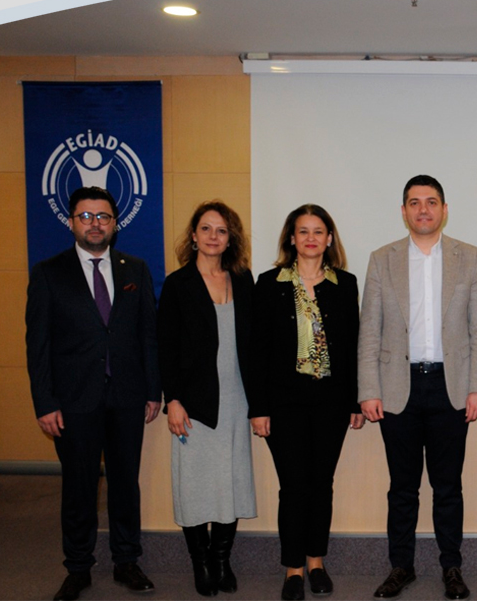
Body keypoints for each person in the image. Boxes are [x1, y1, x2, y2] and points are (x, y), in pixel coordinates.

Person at [359, 176, 477, 601]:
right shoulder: (382, 259)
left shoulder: (468, 257)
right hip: (396, 387)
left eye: (431, 202)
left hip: (450, 387)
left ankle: (451, 567)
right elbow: (370, 330)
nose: (423, 209)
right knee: (402, 488)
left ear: (444, 209)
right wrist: (368, 389)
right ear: (403, 211)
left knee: (447, 487)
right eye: (414, 202)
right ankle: (401, 566)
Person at [25, 186, 162, 601]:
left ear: (115, 223)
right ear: (71, 222)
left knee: (125, 484)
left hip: (127, 397)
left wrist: (152, 389)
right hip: (73, 402)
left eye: (103, 216)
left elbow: (147, 335)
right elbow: (38, 345)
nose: (95, 224)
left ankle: (126, 560)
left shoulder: (135, 269)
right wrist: (45, 402)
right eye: (86, 216)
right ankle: (78, 566)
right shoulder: (49, 273)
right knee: (79, 486)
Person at [249, 204, 362, 601]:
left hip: (331, 402)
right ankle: (293, 568)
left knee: (321, 484)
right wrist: (258, 408)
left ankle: (316, 562)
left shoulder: (345, 284)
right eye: (303, 231)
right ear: (291, 238)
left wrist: (356, 402)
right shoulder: (269, 283)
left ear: (329, 239)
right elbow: (256, 351)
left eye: (318, 231)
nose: (311, 238)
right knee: (294, 486)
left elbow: (352, 347)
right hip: (284, 403)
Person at [157, 200, 257, 596]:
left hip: (237, 401)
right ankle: (200, 563)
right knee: (196, 486)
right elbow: (166, 347)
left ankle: (221, 560)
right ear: (194, 236)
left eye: (222, 230)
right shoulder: (178, 284)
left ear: (230, 238)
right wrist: (173, 400)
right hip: (194, 405)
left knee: (231, 481)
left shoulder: (243, 280)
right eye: (206, 229)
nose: (214, 236)